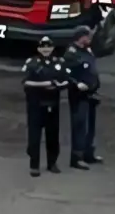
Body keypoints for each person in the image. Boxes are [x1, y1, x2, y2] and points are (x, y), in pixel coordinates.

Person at [21, 37, 67, 176]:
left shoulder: (58, 63)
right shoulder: (32, 63)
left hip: (53, 104)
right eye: (43, 47)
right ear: (38, 48)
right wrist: (45, 84)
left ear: (52, 48)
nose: (46, 50)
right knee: (34, 136)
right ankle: (34, 165)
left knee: (53, 135)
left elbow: (66, 80)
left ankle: (52, 163)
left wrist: (59, 85)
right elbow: (26, 83)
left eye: (48, 47)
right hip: (36, 104)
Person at [64, 27, 103, 170]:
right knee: (80, 125)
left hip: (91, 94)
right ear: (81, 37)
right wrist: (76, 84)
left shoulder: (87, 50)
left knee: (90, 125)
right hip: (78, 96)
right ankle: (77, 157)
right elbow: (66, 73)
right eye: (88, 36)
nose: (90, 39)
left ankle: (88, 153)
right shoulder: (71, 54)